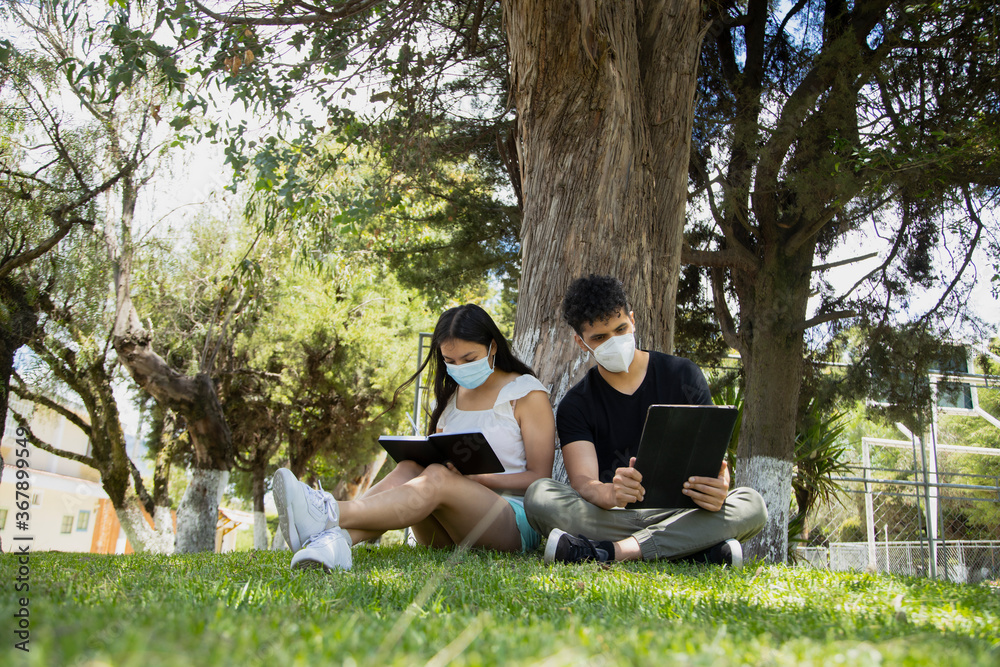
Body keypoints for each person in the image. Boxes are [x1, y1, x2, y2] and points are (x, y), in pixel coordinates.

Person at [272, 304, 555, 571]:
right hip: (446, 527)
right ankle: (334, 543)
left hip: (508, 522)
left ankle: (327, 513)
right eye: (450, 361)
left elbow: (539, 478)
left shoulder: (525, 394)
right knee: (410, 467)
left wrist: (478, 479)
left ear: (492, 346)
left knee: (438, 476)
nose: (460, 367)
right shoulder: (450, 399)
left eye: (469, 359)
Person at [524, 275, 767, 566]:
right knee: (539, 496)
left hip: (680, 511)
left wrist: (719, 486)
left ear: (633, 320)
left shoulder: (684, 375)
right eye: (599, 338)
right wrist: (612, 492)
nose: (614, 342)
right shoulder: (576, 404)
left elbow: (714, 463)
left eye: (621, 329)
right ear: (580, 342)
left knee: (751, 505)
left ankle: (612, 551)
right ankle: (692, 548)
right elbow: (584, 484)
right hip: (614, 514)